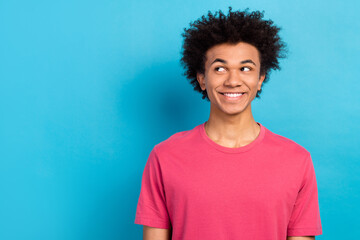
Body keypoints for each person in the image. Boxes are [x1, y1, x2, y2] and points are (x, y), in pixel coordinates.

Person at [134, 7, 323, 240]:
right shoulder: (164, 156)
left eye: (245, 68)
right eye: (220, 68)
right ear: (202, 78)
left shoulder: (297, 160)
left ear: (260, 78)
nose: (233, 81)